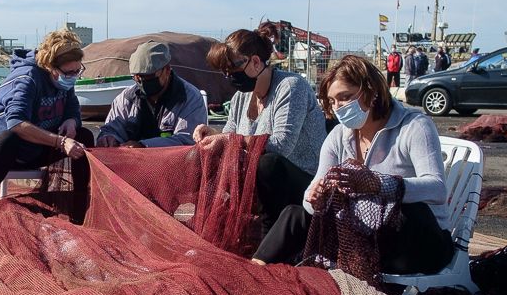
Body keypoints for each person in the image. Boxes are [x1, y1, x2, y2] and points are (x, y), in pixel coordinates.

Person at [252, 54, 454, 275]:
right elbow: (313, 191)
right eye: (332, 101)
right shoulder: (339, 135)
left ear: (371, 91)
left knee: (402, 213)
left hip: (421, 241)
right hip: (364, 236)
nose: (338, 107)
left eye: (345, 97)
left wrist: (379, 185)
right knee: (295, 214)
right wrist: (316, 197)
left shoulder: (415, 126)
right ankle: (255, 272)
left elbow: (437, 188)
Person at [194, 22, 328, 237]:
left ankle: (271, 234)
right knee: (205, 155)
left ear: (255, 62)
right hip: (261, 181)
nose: (229, 77)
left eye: (233, 70)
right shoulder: (241, 97)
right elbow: (230, 133)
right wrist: (213, 135)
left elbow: (282, 145)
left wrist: (228, 139)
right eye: (225, 72)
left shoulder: (291, 87)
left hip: (305, 182)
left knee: (268, 164)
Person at [0, 29, 95, 206]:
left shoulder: (64, 79)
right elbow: (16, 123)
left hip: (32, 149)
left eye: (77, 71)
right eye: (69, 73)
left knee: (83, 136)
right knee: (8, 139)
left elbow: (72, 107)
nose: (73, 77)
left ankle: (80, 205)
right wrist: (61, 142)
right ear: (51, 67)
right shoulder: (27, 78)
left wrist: (71, 121)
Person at [97, 40, 206, 148]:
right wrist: (108, 137)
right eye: (137, 77)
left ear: (167, 70)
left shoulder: (189, 98)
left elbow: (187, 141)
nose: (142, 81)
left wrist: (143, 146)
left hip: (172, 163)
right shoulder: (126, 98)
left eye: (149, 76)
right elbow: (111, 129)